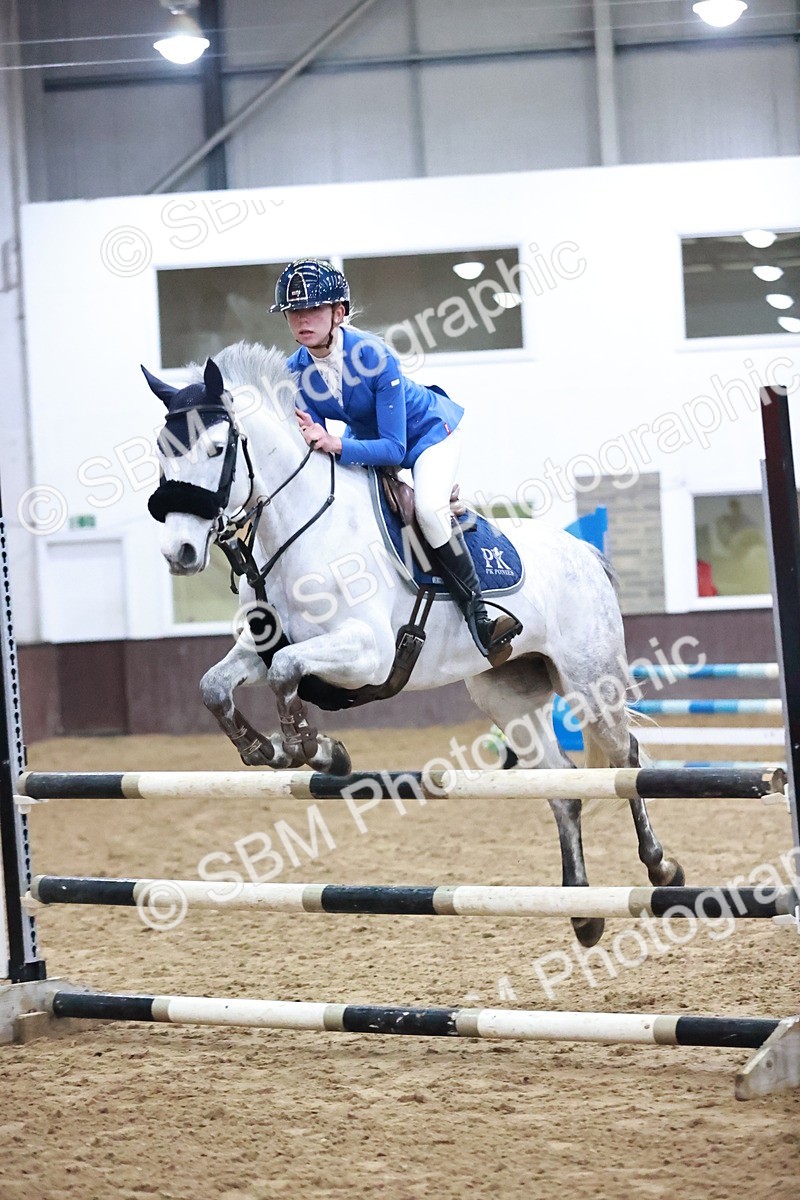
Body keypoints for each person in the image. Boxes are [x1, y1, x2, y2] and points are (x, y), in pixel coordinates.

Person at [271, 257, 521, 666]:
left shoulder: (375, 356)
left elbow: (393, 449)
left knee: (428, 510)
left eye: (314, 309)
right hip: (364, 438)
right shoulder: (294, 371)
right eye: (294, 311)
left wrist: (333, 443)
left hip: (426, 436)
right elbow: (317, 443)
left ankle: (479, 613)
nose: (302, 319)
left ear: (339, 312)